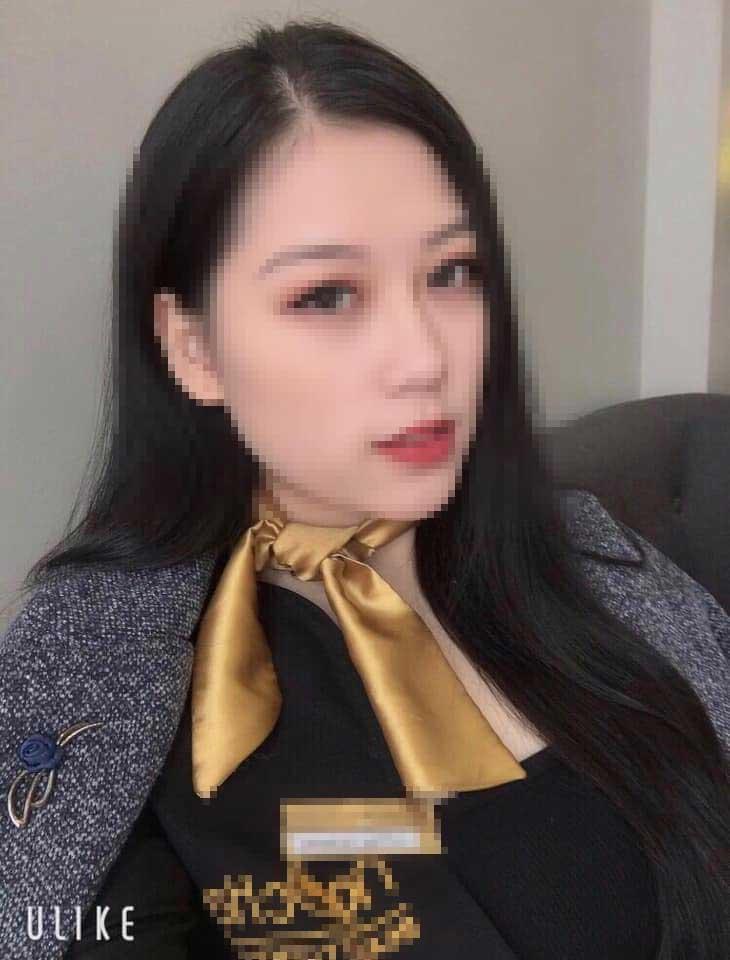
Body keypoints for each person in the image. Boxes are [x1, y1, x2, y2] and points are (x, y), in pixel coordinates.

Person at [2, 18, 729, 960]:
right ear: (193, 346)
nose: (424, 357)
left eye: (453, 273)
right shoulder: (98, 671)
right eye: (327, 295)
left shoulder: (590, 560)